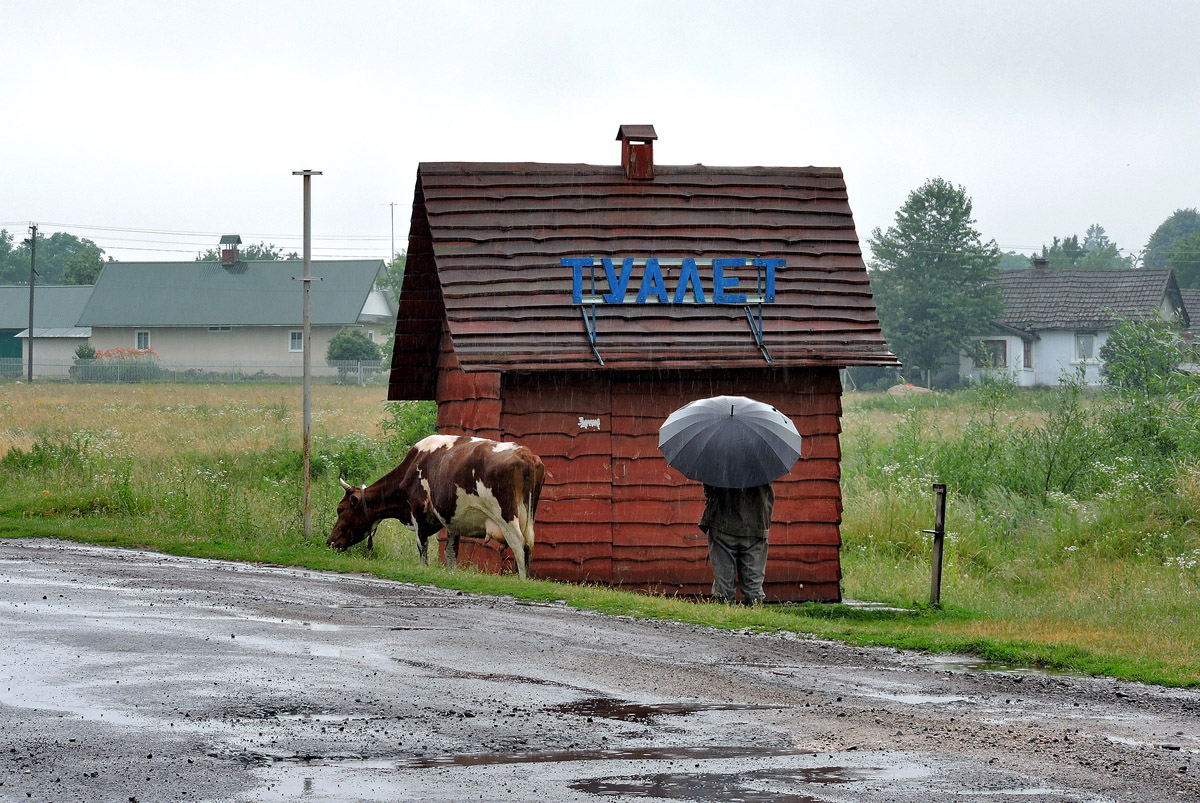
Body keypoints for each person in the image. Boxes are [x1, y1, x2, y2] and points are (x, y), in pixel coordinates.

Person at [698, 482, 774, 605]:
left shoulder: (720, 463)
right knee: (753, 586)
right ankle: (755, 617)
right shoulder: (763, 465)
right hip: (756, 525)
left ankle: (724, 617)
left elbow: (708, 490)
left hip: (723, 523)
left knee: (724, 587)